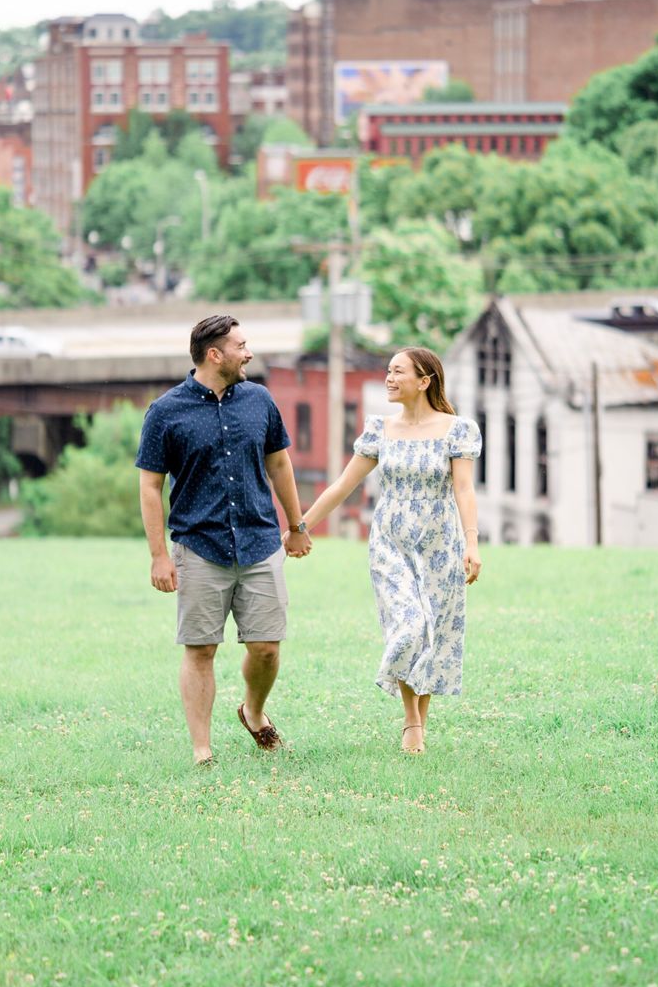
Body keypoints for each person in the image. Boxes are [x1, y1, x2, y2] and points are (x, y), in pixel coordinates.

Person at [136, 315, 312, 765]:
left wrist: (296, 526)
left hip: (260, 542)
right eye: (241, 345)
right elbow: (150, 486)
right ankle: (203, 750)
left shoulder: (260, 400)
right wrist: (159, 555)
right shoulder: (165, 412)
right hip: (199, 546)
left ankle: (253, 712)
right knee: (201, 650)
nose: (248, 353)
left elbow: (279, 464)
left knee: (266, 648)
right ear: (215, 355)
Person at [298, 347, 482, 754]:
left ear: (424, 381)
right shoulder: (380, 430)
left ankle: (420, 721)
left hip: (439, 543)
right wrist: (301, 526)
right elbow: (342, 487)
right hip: (390, 542)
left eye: (398, 372)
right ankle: (410, 717)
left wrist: (472, 542)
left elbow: (464, 489)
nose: (389, 378)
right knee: (409, 625)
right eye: (388, 371)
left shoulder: (457, 430)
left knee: (433, 630)